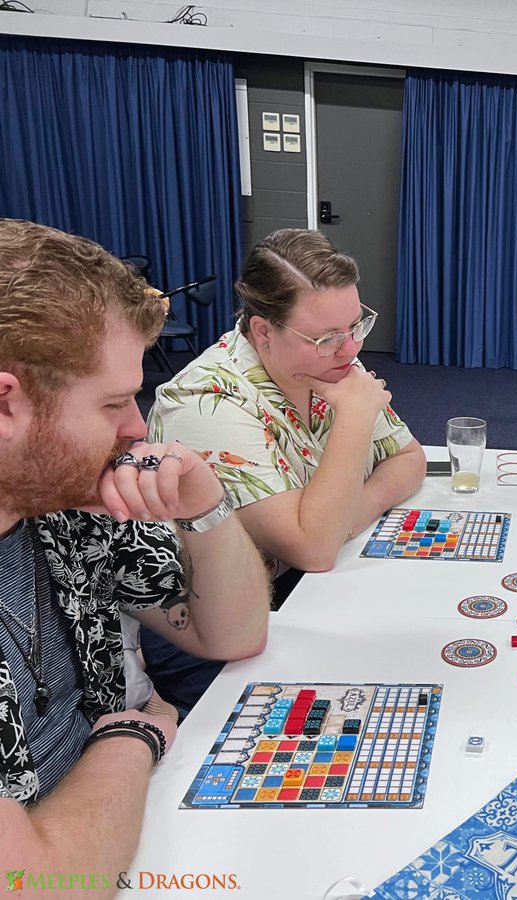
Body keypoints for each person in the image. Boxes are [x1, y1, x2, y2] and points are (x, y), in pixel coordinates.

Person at [0, 219, 270, 884]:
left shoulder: (59, 502)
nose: (137, 427)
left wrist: (203, 503)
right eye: (114, 403)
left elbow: (233, 634)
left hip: (122, 826)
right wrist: (131, 737)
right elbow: (32, 885)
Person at [149, 228, 425, 581]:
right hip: (254, 604)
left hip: (325, 581)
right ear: (263, 331)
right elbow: (314, 550)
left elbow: (408, 458)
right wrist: (355, 417)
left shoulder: (329, 361)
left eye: (356, 326)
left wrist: (345, 517)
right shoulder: (203, 401)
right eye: (327, 337)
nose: (352, 349)